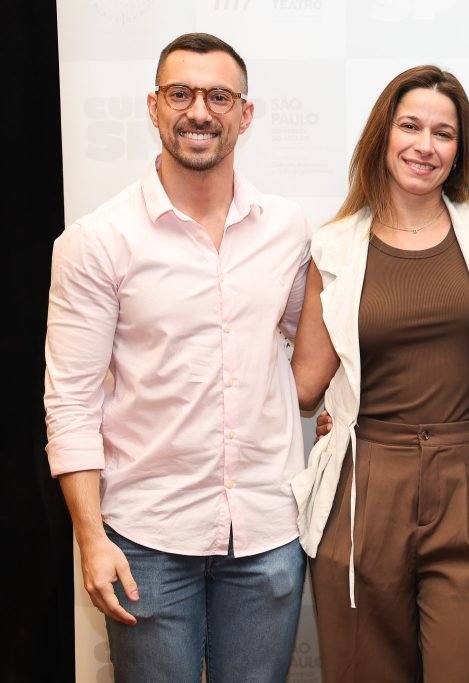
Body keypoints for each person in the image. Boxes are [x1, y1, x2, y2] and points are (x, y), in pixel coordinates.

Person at [44, 33, 310, 681]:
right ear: (153, 106)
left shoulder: (288, 228)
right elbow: (70, 401)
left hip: (268, 532)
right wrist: (90, 537)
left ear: (244, 114)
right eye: (180, 93)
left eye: (219, 95)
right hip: (146, 537)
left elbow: (311, 351)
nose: (199, 110)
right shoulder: (96, 242)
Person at [290, 64, 469, 682]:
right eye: (411, 126)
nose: (425, 146)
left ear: (460, 149)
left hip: (468, 482)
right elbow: (306, 383)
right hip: (364, 484)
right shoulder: (334, 244)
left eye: (443, 133)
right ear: (383, 135)